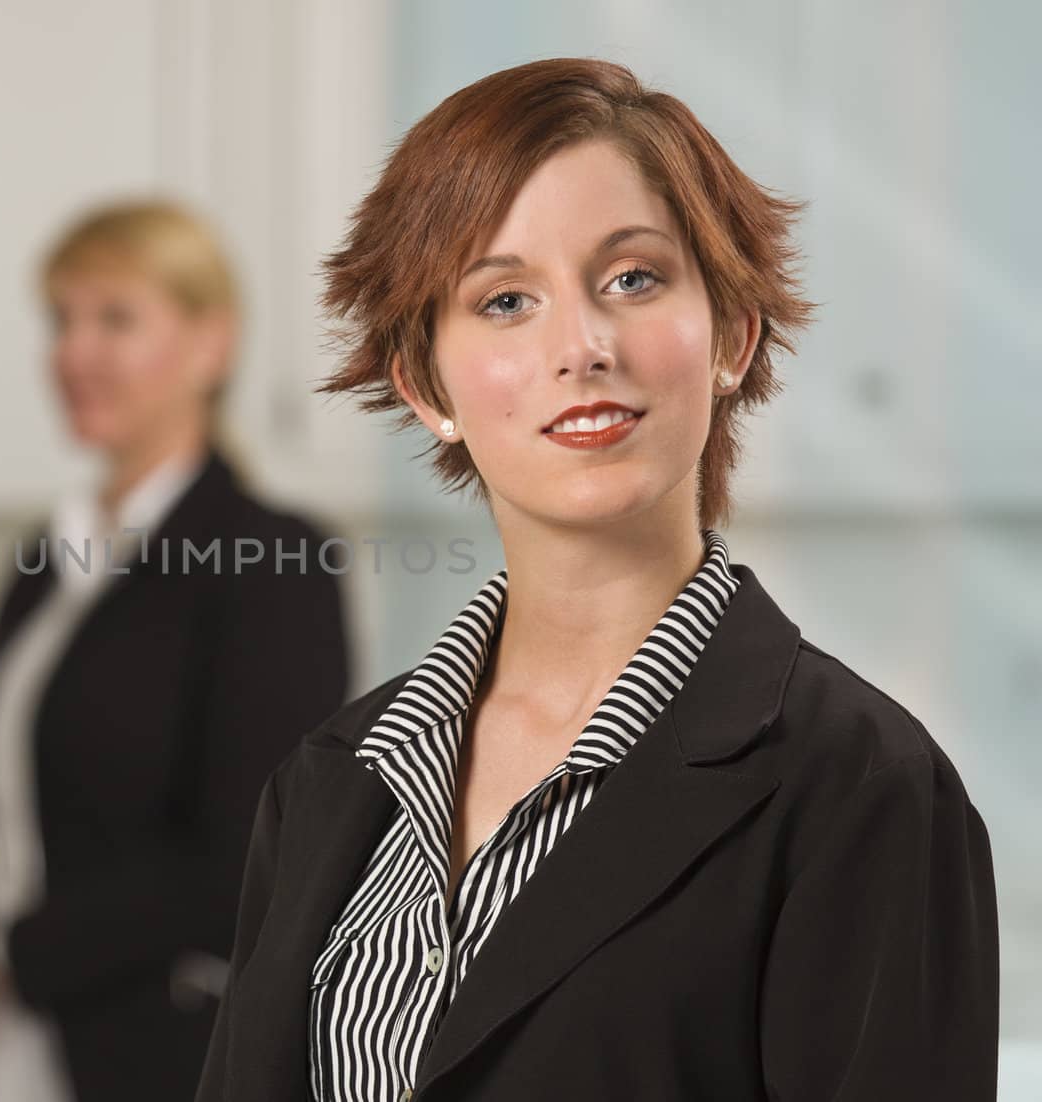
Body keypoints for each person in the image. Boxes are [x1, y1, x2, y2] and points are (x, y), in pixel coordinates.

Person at [197, 58, 1000, 1102]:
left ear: (731, 334)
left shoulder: (861, 786)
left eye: (633, 279)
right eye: (504, 299)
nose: (579, 346)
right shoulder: (331, 779)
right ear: (425, 384)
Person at [0, 200, 350, 1102]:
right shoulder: (43, 557)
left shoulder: (274, 560)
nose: (74, 353)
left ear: (212, 345)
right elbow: (1, 807)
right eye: (62, 320)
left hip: (155, 1062)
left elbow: (248, 857)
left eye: (116, 319)